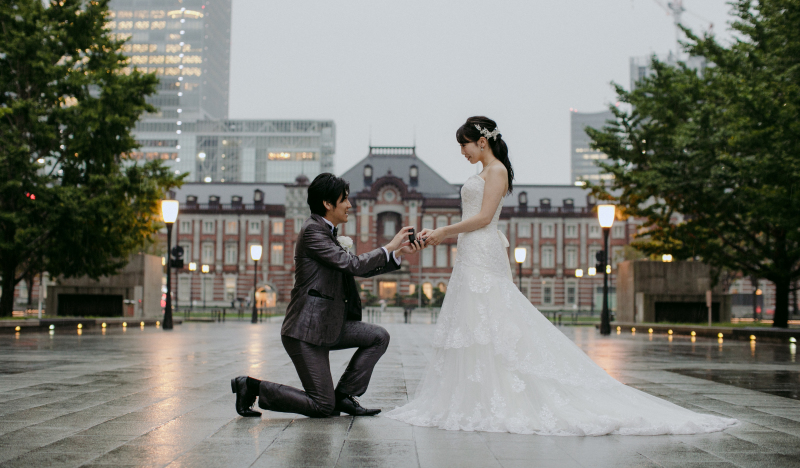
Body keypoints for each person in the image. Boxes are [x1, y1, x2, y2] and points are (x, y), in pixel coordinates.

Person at [384, 116, 738, 435]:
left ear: (482, 141)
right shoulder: (482, 173)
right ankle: (474, 395)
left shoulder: (497, 172)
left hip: (482, 247)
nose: (461, 150)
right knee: (473, 321)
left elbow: (484, 218)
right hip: (471, 251)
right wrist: (438, 236)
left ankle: (497, 395)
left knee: (493, 316)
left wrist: (443, 232)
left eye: (463, 143)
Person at [231, 173, 422, 418]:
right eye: (344, 200)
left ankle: (344, 396)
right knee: (322, 406)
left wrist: (398, 254)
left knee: (378, 336)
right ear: (327, 204)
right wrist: (389, 246)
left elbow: (354, 268)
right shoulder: (313, 232)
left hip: (329, 324)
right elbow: (352, 265)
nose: (349, 205)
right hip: (305, 332)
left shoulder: (328, 233)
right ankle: (252, 387)